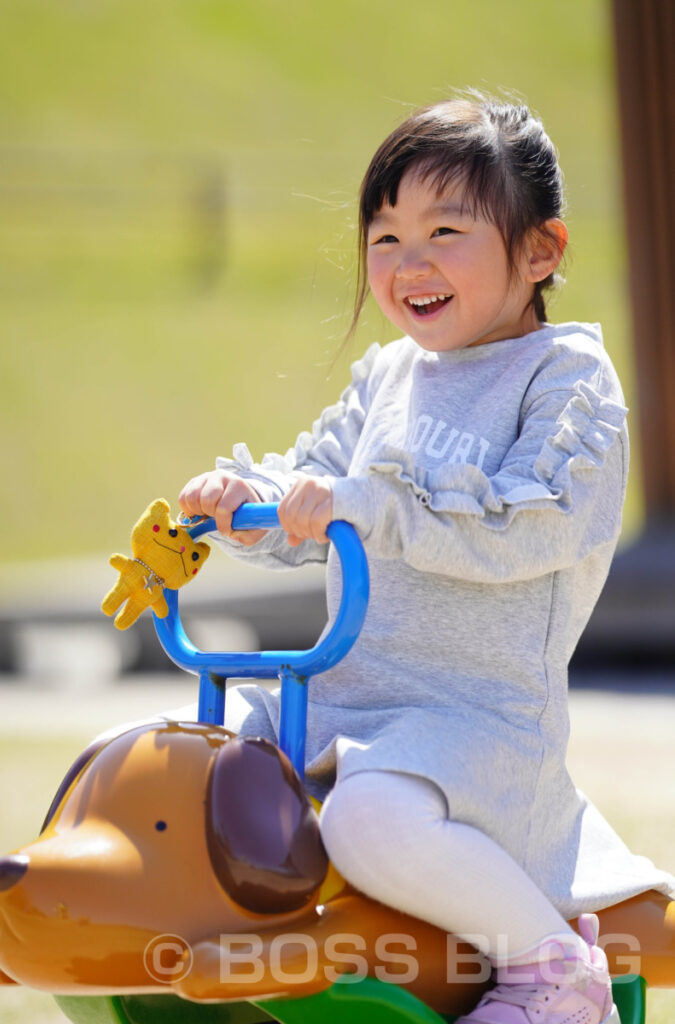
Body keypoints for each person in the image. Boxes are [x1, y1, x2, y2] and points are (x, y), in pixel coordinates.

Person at [178, 96, 673, 1024]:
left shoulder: (565, 381)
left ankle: (557, 972)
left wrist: (375, 505)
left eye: (446, 231)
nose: (409, 264)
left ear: (540, 252)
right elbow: (313, 493)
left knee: (369, 822)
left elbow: (533, 521)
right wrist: (237, 503)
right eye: (385, 236)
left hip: (473, 723)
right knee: (178, 760)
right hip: (338, 700)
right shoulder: (389, 378)